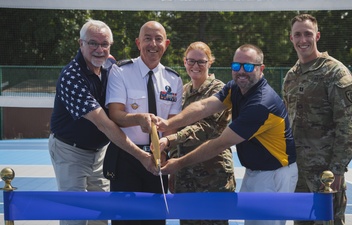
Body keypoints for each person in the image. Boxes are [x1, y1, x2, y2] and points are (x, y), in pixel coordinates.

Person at [156, 44, 298, 225]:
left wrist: (179, 163)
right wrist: (168, 124)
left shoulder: (261, 104)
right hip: (255, 170)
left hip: (275, 173)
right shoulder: (235, 88)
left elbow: (220, 143)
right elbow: (203, 106)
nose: (241, 72)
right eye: (236, 66)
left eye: (248, 67)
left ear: (261, 69)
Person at [49, 19, 157, 225]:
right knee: (76, 216)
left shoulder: (111, 66)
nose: (99, 50)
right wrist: (142, 155)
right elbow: (105, 124)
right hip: (70, 152)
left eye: (104, 44)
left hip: (99, 153)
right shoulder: (71, 77)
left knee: (101, 216)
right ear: (80, 44)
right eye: (93, 43)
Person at [104, 21, 183, 225]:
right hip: (126, 157)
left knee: (155, 221)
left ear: (166, 44)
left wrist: (164, 152)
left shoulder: (174, 80)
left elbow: (173, 124)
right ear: (138, 43)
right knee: (124, 221)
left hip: (158, 159)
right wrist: (139, 119)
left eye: (158, 39)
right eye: (147, 38)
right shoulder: (120, 71)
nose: (153, 44)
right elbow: (115, 115)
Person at [283, 14, 352, 225]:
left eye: (307, 34)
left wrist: (337, 169)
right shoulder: (291, 75)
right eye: (297, 34)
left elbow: (348, 126)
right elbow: (289, 121)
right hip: (298, 172)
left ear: (317, 36)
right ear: (291, 38)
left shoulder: (335, 72)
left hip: (325, 173)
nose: (302, 39)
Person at [159, 41, 236, 225]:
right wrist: (174, 171)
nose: (195, 66)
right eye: (191, 61)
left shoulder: (219, 90)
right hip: (185, 175)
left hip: (213, 176)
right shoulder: (182, 91)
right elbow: (176, 127)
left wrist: (169, 140)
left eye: (201, 62)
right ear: (184, 62)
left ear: (210, 63)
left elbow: (206, 128)